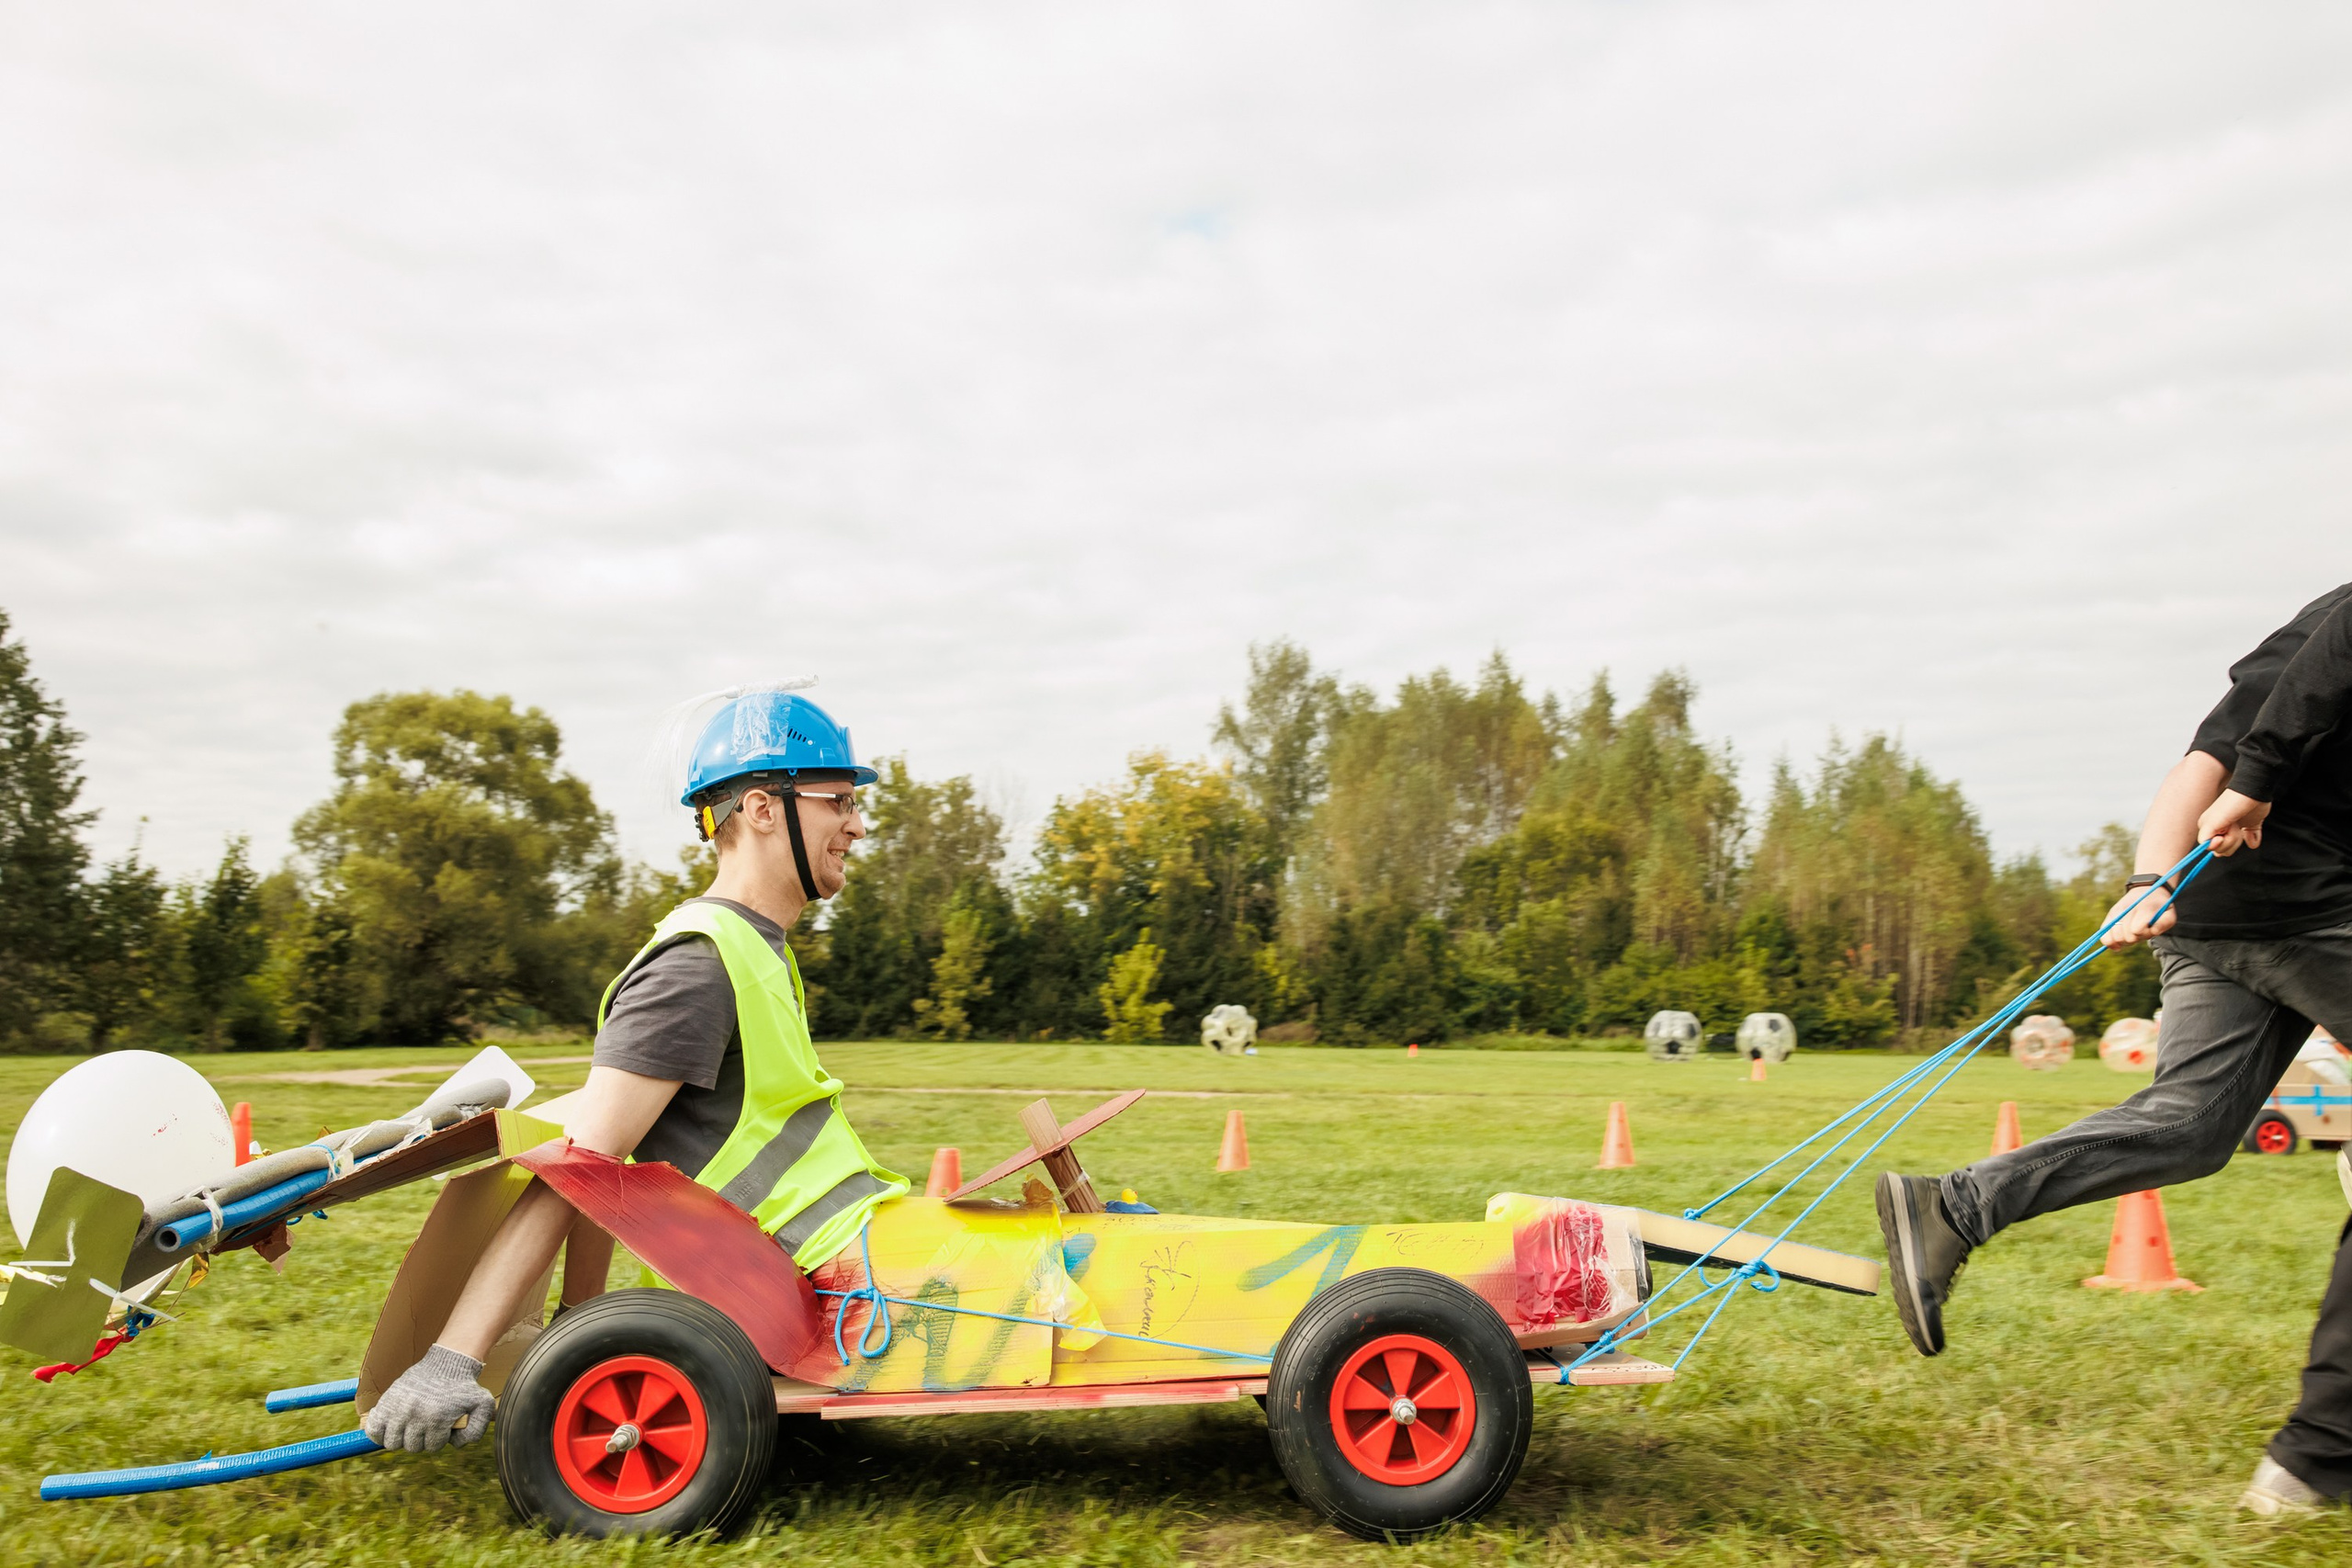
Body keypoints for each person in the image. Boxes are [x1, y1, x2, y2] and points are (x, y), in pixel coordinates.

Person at [1876, 582, 2352, 1516]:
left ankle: (1955, 1208)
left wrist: (2149, 877)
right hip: (2300, 895)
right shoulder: (2335, 628)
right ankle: (2323, 1452)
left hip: (2213, 904)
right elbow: (2247, 750)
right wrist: (2247, 796)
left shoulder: (2304, 626)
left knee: (2187, 1127)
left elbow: (2201, 757)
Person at [362, 688, 907, 1453]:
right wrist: (455, 1360)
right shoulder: (698, 966)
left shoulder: (755, 948)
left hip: (856, 1256)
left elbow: (608, 1153)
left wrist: (574, 1334)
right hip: (835, 1280)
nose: (855, 822)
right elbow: (579, 1165)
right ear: (760, 808)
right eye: (838, 800)